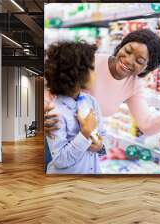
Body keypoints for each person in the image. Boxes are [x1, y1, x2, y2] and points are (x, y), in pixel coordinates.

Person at [45, 29, 160, 137]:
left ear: (147, 68)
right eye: (127, 51)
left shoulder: (133, 85)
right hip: (56, 134)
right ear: (121, 46)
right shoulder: (89, 62)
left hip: (84, 143)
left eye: (139, 60)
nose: (128, 60)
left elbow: (147, 126)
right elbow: (51, 90)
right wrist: (43, 114)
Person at [44, 41, 105, 174]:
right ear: (77, 73)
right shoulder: (55, 113)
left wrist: (99, 145)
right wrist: (85, 133)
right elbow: (60, 160)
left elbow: (102, 134)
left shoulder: (91, 102)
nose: (96, 73)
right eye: (92, 69)